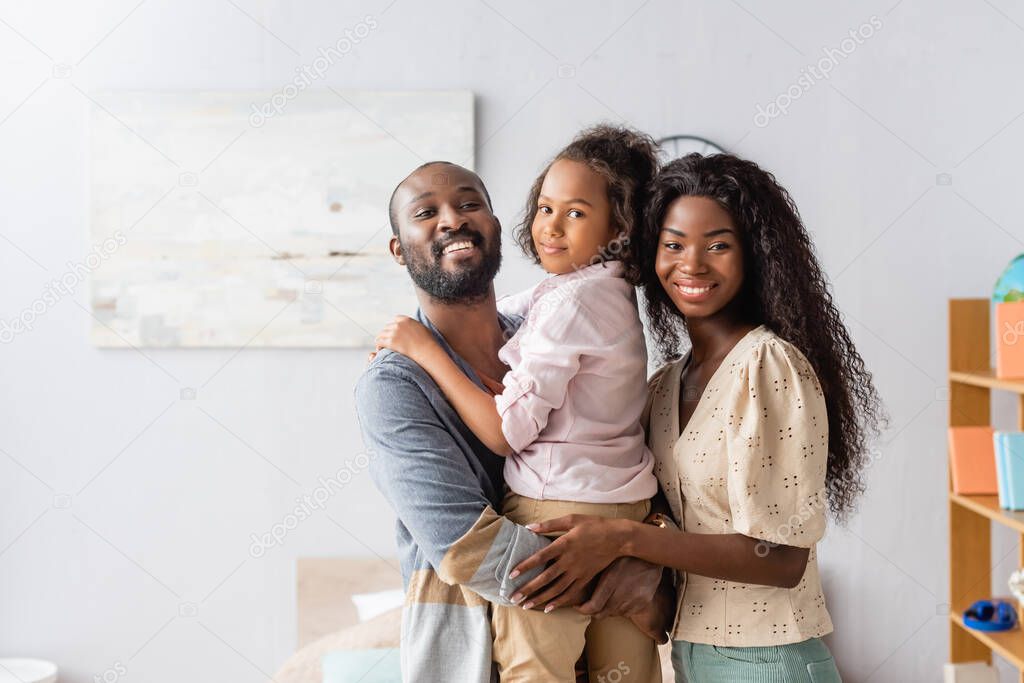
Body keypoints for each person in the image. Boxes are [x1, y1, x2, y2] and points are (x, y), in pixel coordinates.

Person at [510, 153, 885, 682]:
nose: (692, 264)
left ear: (754, 254)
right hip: (693, 658)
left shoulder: (767, 364)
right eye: (673, 244)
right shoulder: (665, 384)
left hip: (769, 664)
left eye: (718, 245)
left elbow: (780, 560)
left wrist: (623, 540)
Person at [354, 159, 673, 683]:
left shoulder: (553, 330)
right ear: (398, 249)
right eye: (426, 212)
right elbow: (464, 548)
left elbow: (627, 450)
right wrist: (619, 574)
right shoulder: (395, 384)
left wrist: (648, 543)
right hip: (472, 658)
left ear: (497, 226)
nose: (452, 219)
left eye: (469, 203)